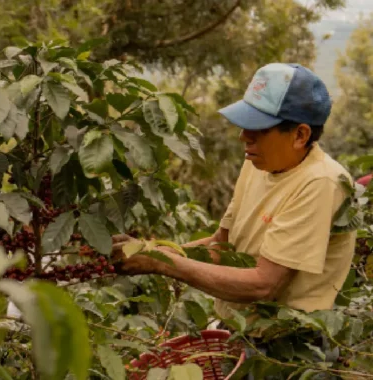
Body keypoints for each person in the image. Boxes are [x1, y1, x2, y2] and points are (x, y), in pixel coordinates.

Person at [113, 63, 356, 328]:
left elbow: (264, 285)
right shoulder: (258, 163)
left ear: (300, 135)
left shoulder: (320, 183)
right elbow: (221, 246)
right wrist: (151, 251)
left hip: (288, 350)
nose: (243, 137)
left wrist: (163, 263)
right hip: (240, 332)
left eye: (259, 128)